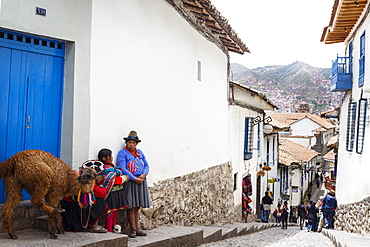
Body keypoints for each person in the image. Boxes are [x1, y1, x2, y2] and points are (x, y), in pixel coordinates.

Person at [117, 130, 151, 238]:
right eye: (129, 142)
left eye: (133, 143)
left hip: (140, 180)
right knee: (131, 205)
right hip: (131, 181)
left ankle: (137, 228)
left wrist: (144, 174)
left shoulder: (140, 153)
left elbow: (146, 165)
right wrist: (133, 178)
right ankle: (133, 229)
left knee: (137, 206)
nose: (130, 144)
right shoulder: (122, 153)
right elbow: (122, 168)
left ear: (136, 144)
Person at [61, 160, 108, 233]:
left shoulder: (76, 176)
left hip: (67, 205)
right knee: (101, 202)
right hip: (74, 207)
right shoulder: (88, 181)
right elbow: (102, 193)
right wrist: (100, 184)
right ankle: (94, 226)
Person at [98, 148, 130, 232]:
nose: (112, 158)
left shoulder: (112, 167)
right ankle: (109, 230)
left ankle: (114, 227)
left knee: (115, 213)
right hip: (110, 194)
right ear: (104, 158)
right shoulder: (104, 170)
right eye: (110, 156)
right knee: (110, 213)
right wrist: (123, 178)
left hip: (117, 193)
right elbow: (112, 181)